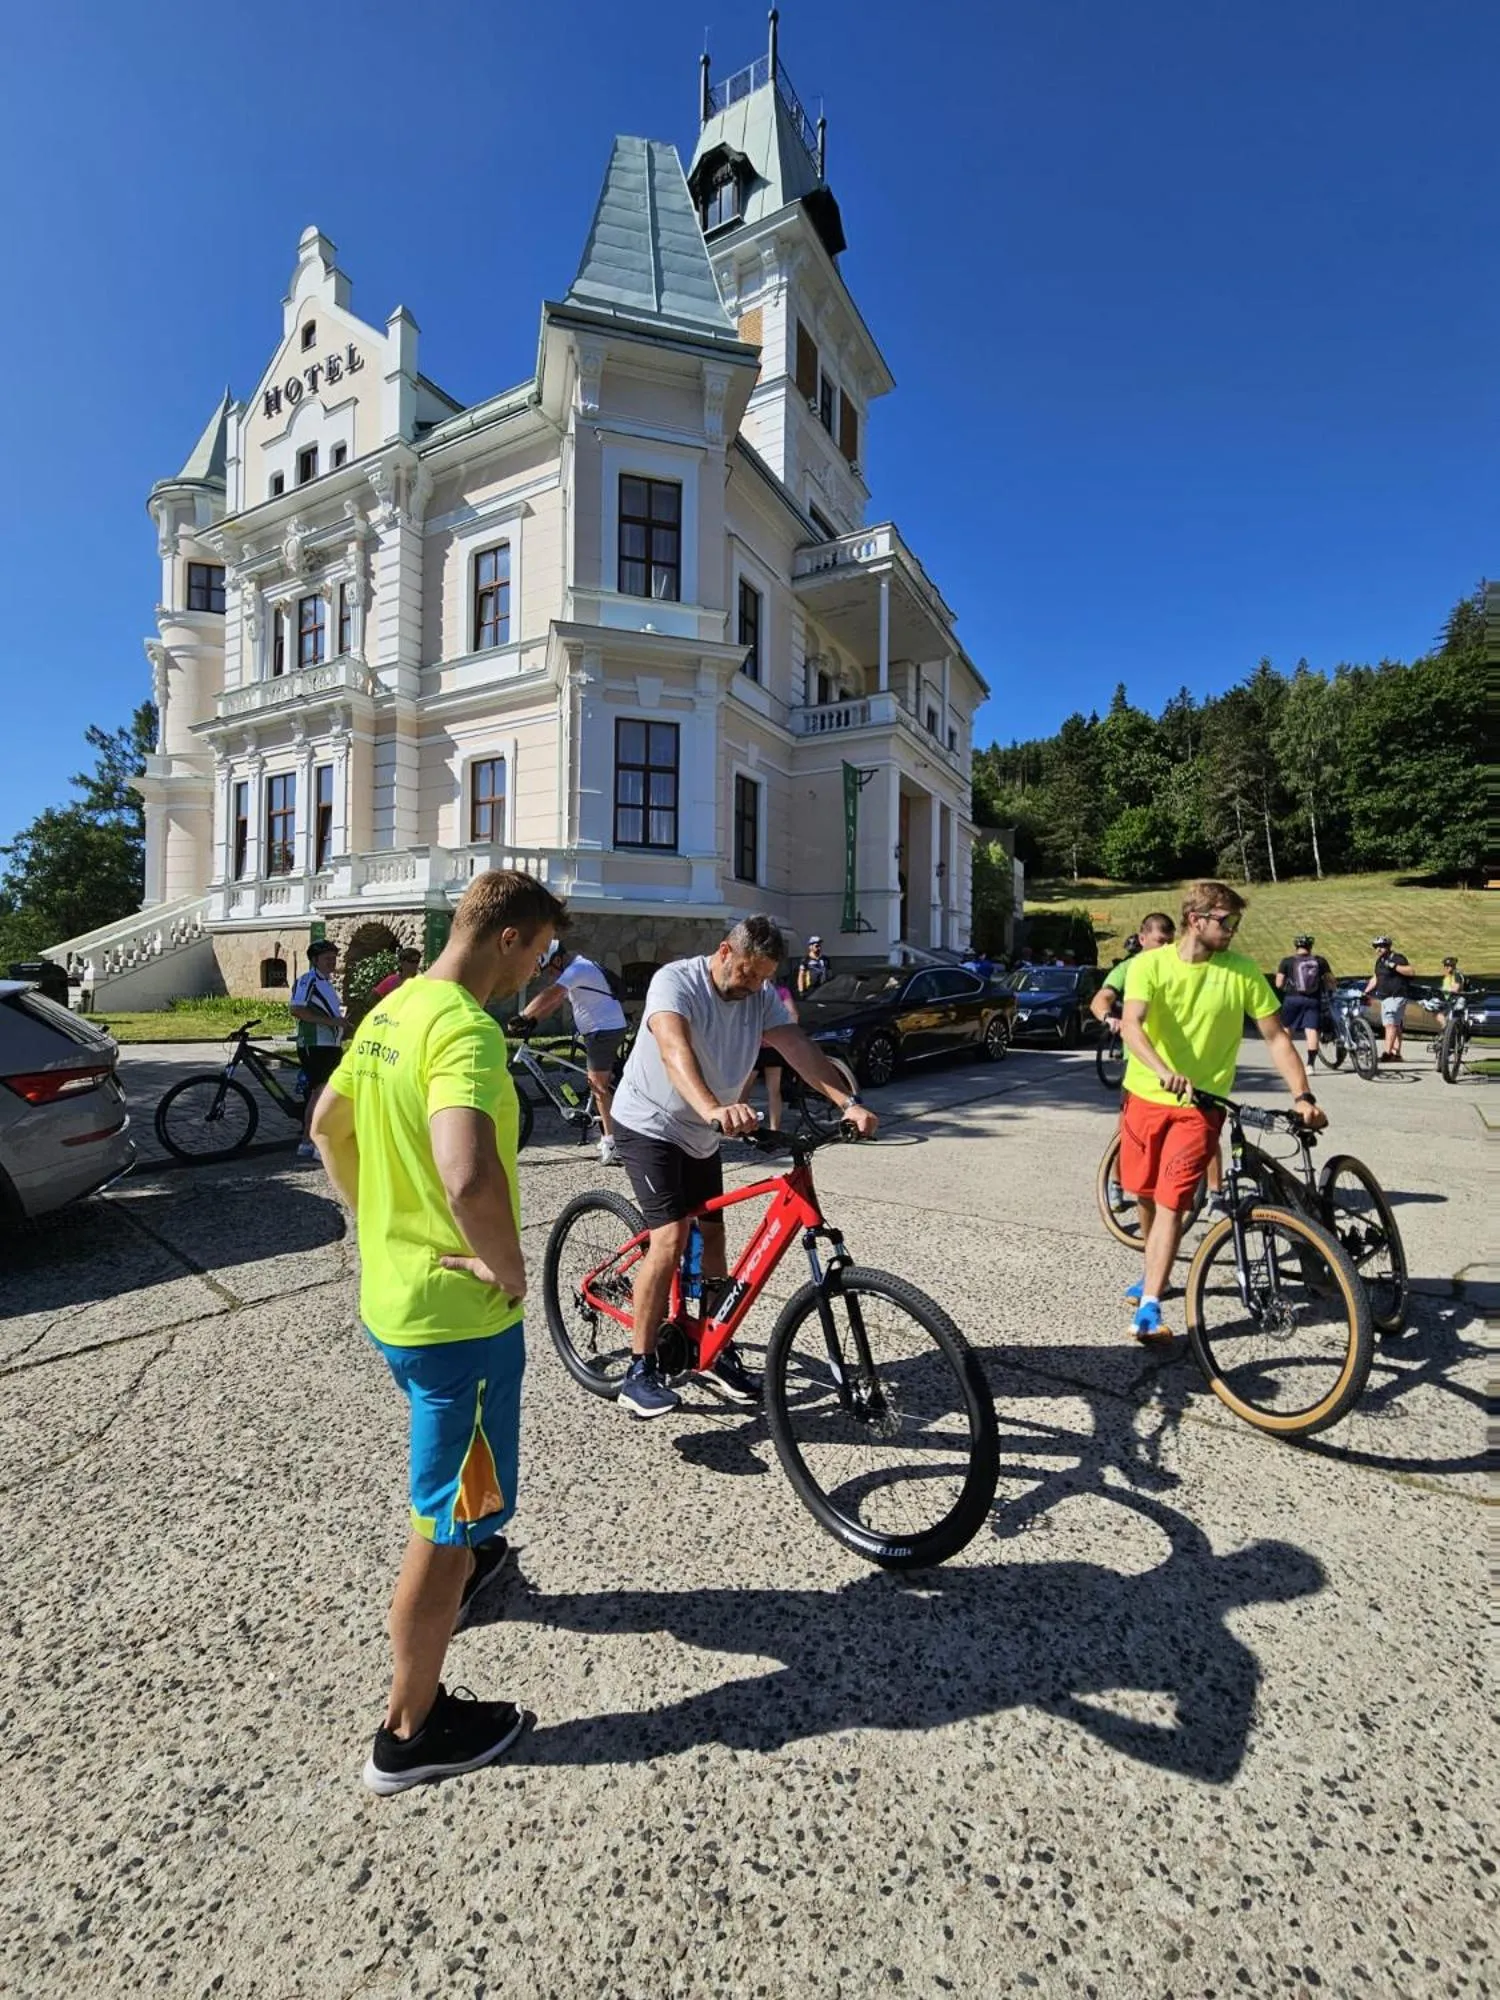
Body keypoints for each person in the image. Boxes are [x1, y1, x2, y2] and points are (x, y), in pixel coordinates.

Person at [310, 868, 568, 1795]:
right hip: (457, 1325)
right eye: (540, 950)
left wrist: (367, 1218)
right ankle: (409, 1730)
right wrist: (503, 1266)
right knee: (446, 1516)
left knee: (463, 1499)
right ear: (510, 938)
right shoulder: (464, 1029)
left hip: (393, 1301)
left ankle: (481, 1558)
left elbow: (325, 1123)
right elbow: (467, 1175)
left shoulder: (392, 1010)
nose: (540, 966)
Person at [608, 914, 878, 1417]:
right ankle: (638, 1369)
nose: (755, 986)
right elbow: (673, 1048)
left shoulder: (760, 997)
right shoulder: (676, 981)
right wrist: (713, 1106)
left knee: (712, 1236)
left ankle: (715, 1345)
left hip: (703, 1133)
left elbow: (798, 1048)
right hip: (650, 1121)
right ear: (725, 952)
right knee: (669, 1237)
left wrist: (848, 1102)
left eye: (765, 978)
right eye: (749, 974)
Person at [1118, 881, 1326, 1344]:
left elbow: (1276, 1038)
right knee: (1145, 1195)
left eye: (1235, 922)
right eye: (1225, 921)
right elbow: (1131, 1026)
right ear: (1196, 920)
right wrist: (1162, 1069)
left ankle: (1149, 1307)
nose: (1232, 930)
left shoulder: (1241, 972)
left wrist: (1302, 1096)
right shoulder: (1147, 965)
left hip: (1200, 1107)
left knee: (1174, 1200)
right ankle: (1157, 1272)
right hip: (1144, 1098)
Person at [515, 941, 628, 1163]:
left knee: (598, 1086)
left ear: (557, 960)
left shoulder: (578, 969)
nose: (549, 976)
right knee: (597, 1083)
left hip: (603, 1030)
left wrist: (523, 1015)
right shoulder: (576, 969)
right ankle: (610, 1132)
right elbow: (555, 1001)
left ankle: (612, 1143)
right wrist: (534, 1019)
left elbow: (552, 993)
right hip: (599, 1029)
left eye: (549, 970)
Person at [290, 940, 346, 1158]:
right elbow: (297, 1009)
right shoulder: (308, 980)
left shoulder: (326, 982)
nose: (332, 961)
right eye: (327, 958)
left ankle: (307, 1141)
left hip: (329, 1044)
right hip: (315, 1044)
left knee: (322, 1093)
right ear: (314, 960)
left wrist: (340, 1024)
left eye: (334, 957)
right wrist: (332, 1022)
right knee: (321, 1093)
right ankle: (312, 1142)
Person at [744, 975, 799, 1131]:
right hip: (774, 1046)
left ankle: (743, 1126)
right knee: (773, 1091)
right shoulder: (782, 992)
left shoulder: (753, 992)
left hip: (754, 1046)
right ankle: (775, 1128)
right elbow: (794, 1015)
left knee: (745, 1089)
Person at [1273, 934, 1333, 1068]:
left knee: (1287, 1028)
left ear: (1296, 946)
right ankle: (1310, 1064)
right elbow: (1330, 980)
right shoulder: (1320, 961)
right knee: (1311, 1030)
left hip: (1292, 998)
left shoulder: (1287, 961)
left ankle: (1286, 1060)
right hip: (1313, 999)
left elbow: (1278, 983)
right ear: (1310, 947)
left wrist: (1287, 988)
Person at [1363, 936, 1415, 1063]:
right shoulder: (1379, 961)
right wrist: (1365, 992)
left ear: (1388, 946)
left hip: (1396, 995)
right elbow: (1376, 978)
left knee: (1390, 1024)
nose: (1378, 949)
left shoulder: (1397, 958)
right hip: (1385, 997)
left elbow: (1411, 971)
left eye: (1381, 946)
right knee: (1395, 1025)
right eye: (1376, 947)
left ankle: (1387, 1053)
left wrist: (1394, 966)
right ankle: (1396, 1053)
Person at [1437, 956, 1466, 1025]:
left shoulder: (1457, 975)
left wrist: (1445, 990)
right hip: (1448, 999)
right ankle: (1445, 1031)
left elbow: (1456, 989)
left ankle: (1446, 1032)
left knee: (1441, 1016)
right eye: (1445, 965)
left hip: (1455, 1000)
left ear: (1453, 966)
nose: (1446, 967)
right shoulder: (1449, 975)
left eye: (1449, 966)